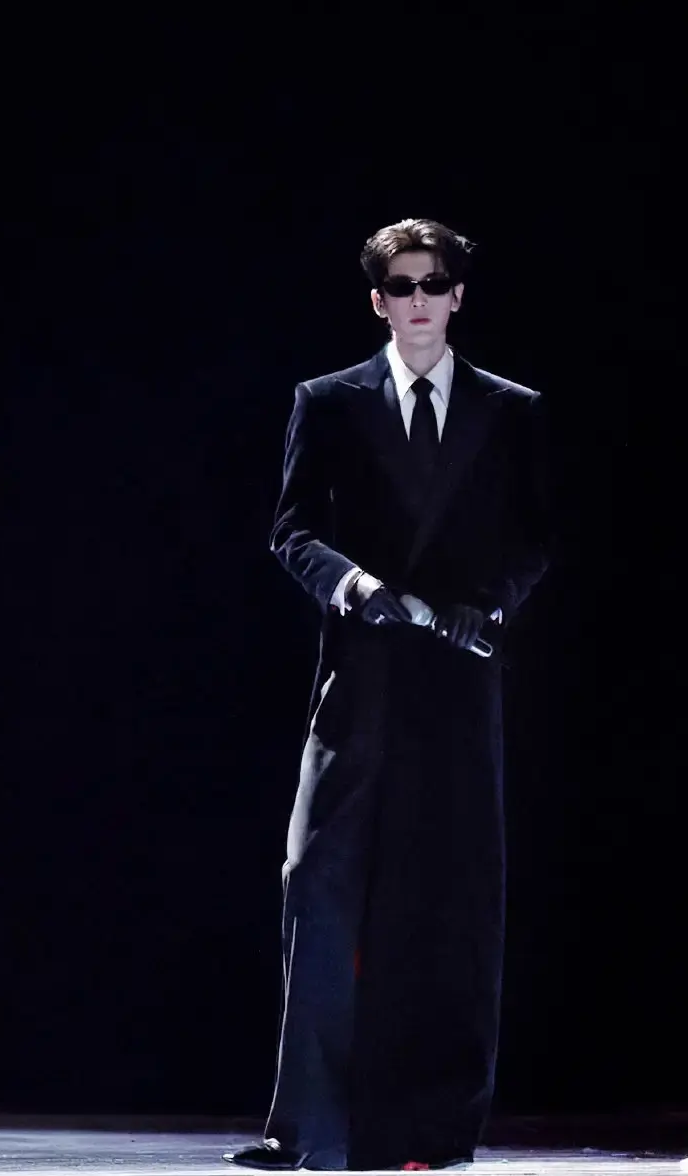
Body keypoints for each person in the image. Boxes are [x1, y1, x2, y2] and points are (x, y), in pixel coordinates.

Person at [225, 219, 551, 1171]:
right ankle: (304, 1130)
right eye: (400, 285)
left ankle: (434, 1129)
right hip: (361, 669)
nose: (418, 300)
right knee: (317, 882)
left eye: (433, 283)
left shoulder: (511, 409)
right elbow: (291, 530)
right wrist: (357, 586)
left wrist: (488, 607)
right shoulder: (327, 401)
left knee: (451, 894)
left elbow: (535, 537)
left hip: (457, 672)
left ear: (457, 296)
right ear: (377, 300)